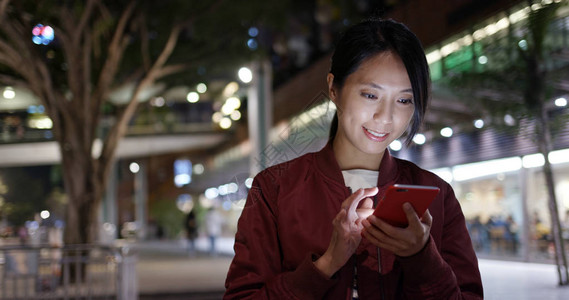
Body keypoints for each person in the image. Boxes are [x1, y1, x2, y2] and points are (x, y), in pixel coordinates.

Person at [224, 18, 483, 299]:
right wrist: (326, 265)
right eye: (370, 95)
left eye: (404, 100)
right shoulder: (274, 189)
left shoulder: (437, 194)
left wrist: (422, 256)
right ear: (334, 89)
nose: (385, 117)